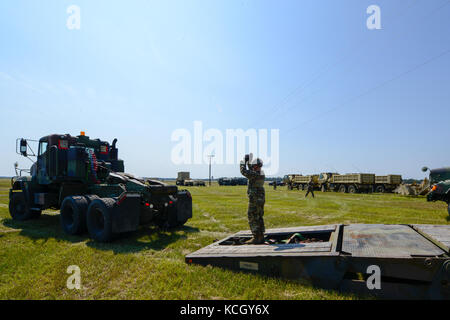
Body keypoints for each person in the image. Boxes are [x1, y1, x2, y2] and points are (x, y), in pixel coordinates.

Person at [240, 153, 265, 244]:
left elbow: (243, 171)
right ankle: (260, 236)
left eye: (254, 165)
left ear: (256, 166)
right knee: (258, 217)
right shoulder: (259, 173)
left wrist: (243, 161)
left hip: (255, 200)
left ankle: (256, 237)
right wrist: (249, 161)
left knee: (252, 216)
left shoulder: (255, 174)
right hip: (260, 199)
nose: (253, 167)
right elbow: (250, 169)